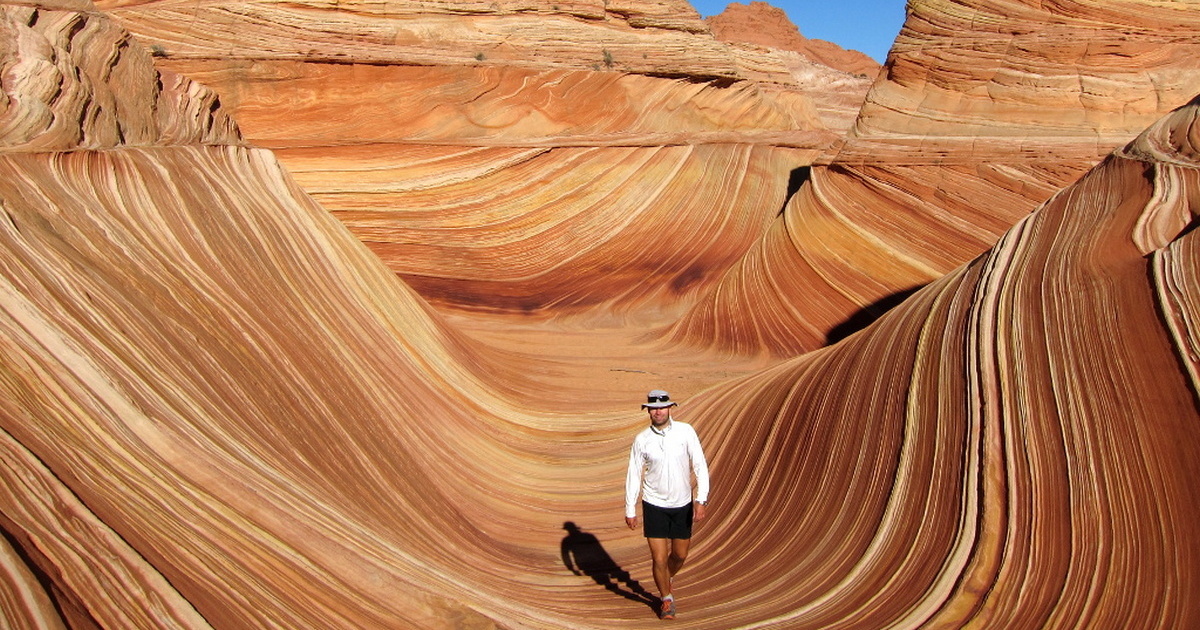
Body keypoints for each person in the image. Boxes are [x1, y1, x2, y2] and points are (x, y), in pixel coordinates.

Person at [624, 389, 710, 620]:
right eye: (654, 408)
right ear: (648, 411)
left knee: (680, 555)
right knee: (659, 558)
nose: (658, 412)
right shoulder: (642, 440)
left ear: (670, 408)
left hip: (682, 503)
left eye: (662, 407)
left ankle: (666, 578)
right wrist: (630, 508)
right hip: (654, 504)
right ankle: (666, 600)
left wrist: (701, 499)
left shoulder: (685, 432)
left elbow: (700, 465)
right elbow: (634, 473)